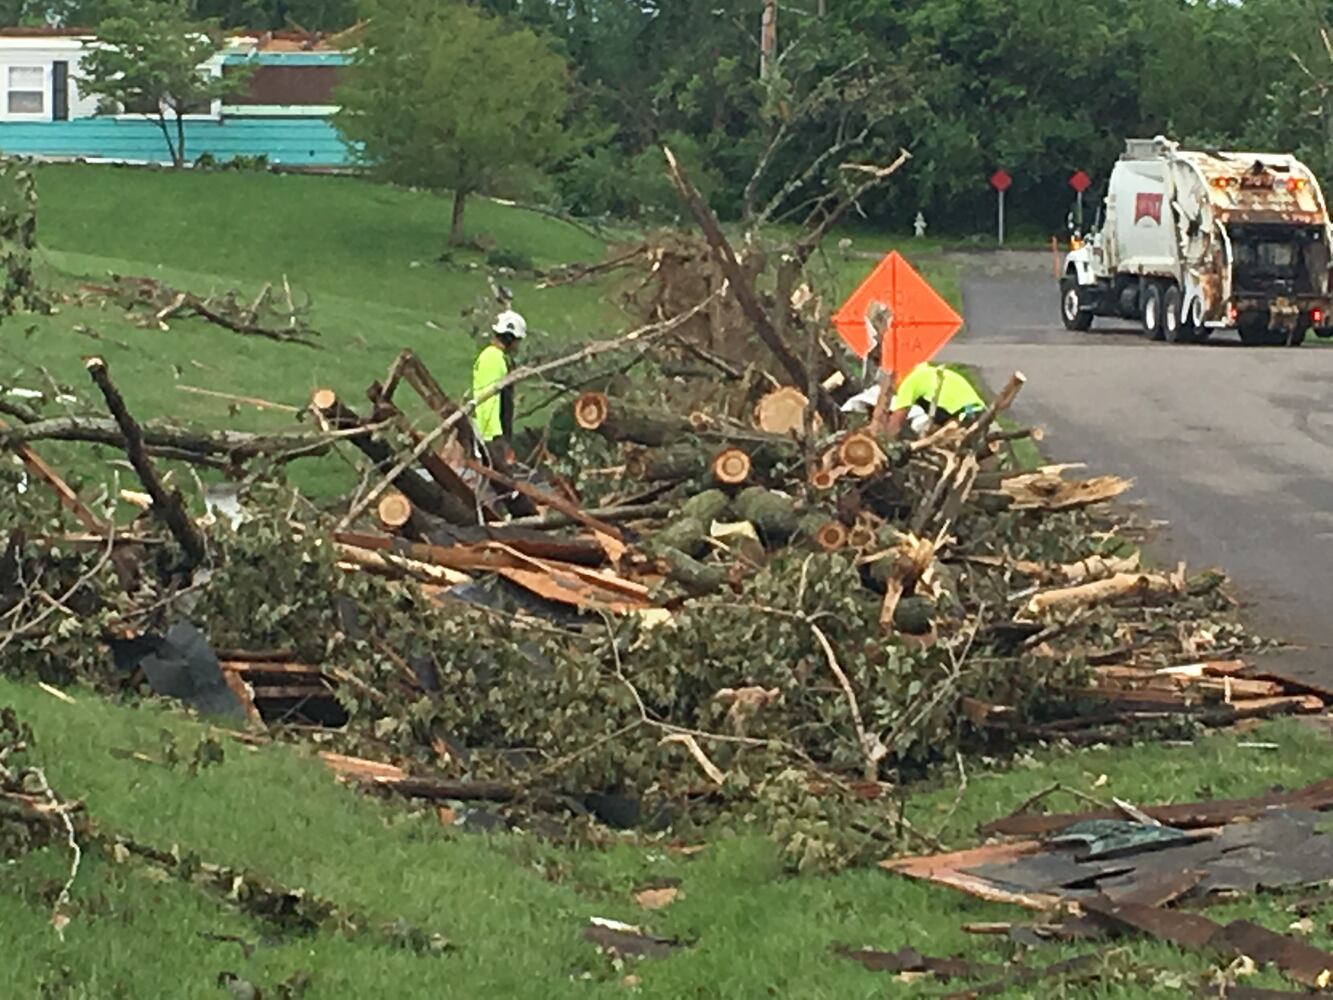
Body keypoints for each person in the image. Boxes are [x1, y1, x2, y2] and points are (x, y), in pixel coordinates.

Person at [472, 309, 526, 459]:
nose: (517, 345)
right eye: (517, 340)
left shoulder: (496, 357)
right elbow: (490, 397)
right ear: (511, 338)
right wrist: (495, 435)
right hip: (491, 434)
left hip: (492, 432)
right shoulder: (493, 359)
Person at [881, 361, 985, 438]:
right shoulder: (929, 373)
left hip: (965, 416)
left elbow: (896, 424)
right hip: (978, 411)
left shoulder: (909, 382)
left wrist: (883, 441)